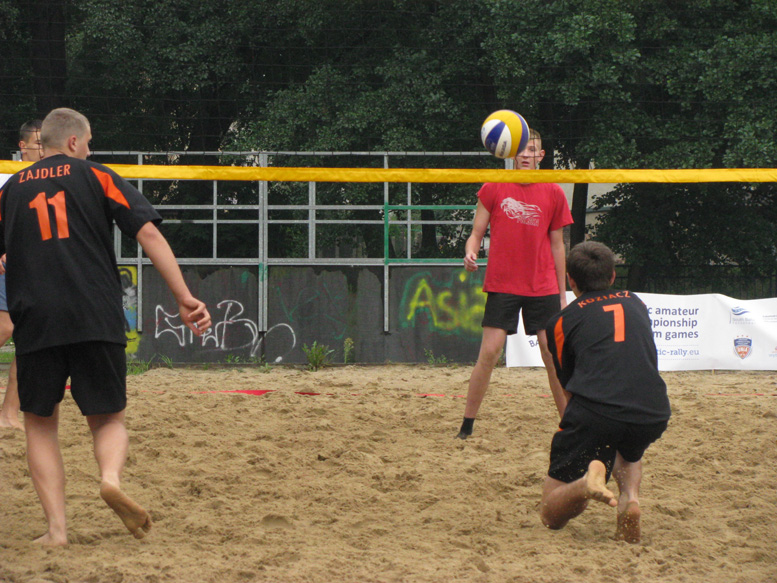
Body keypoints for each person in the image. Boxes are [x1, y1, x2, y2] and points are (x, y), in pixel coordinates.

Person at [0, 108, 212, 546]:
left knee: (39, 424)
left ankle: (56, 530)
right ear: (74, 142)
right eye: (89, 142)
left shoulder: (11, 189)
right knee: (108, 419)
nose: (90, 149)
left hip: (36, 317)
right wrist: (183, 297)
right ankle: (110, 479)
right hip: (95, 312)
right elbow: (148, 234)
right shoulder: (97, 175)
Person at [540, 241, 671, 543]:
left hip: (598, 411)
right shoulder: (635, 302)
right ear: (613, 275)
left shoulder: (561, 321)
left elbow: (567, 385)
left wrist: (583, 432)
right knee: (628, 446)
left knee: (550, 515)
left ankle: (585, 483)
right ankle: (630, 499)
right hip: (652, 410)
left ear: (570, 280)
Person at [457, 128, 573, 439]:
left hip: (542, 285)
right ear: (510, 152)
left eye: (532, 149)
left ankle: (570, 426)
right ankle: (467, 425)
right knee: (490, 352)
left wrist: (562, 294)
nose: (526, 155)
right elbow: (476, 234)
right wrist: (470, 252)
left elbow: (558, 245)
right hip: (503, 282)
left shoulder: (553, 191)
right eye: (521, 149)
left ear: (541, 155)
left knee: (552, 355)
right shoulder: (494, 187)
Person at [0, 119, 43, 430]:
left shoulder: (56, 176)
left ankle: (8, 414)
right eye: (37, 143)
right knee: (5, 327)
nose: (42, 149)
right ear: (23, 146)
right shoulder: (7, 176)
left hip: (38, 268)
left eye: (46, 143)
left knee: (28, 339)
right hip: (8, 266)